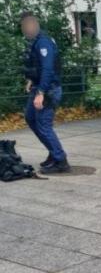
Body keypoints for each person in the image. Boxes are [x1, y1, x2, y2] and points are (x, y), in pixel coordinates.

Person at [20, 12, 70, 173]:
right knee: (30, 118)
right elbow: (38, 67)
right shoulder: (36, 41)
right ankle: (53, 152)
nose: (24, 30)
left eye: (26, 26)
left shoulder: (43, 43)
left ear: (34, 25)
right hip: (39, 87)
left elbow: (48, 69)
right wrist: (31, 80)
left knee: (43, 126)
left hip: (48, 90)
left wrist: (40, 92)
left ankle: (60, 161)